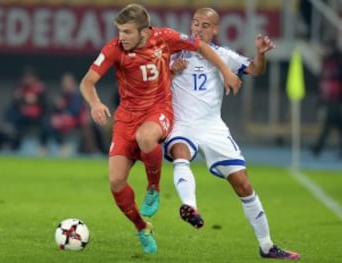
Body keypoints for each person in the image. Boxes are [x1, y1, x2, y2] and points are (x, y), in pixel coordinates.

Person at [79, 4, 241, 254]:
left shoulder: (165, 38)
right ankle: (142, 227)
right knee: (116, 182)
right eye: (120, 31)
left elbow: (201, 45)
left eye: (127, 32)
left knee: (146, 138)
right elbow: (87, 82)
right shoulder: (114, 49)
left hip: (158, 110)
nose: (121, 37)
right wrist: (95, 103)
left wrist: (226, 70)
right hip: (126, 118)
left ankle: (153, 188)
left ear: (144, 32)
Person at [163, 8, 300, 260]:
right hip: (182, 124)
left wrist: (260, 53)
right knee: (180, 153)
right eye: (195, 23)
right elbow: (152, 79)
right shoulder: (173, 50)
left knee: (244, 185)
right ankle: (190, 207)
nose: (197, 29)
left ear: (215, 29)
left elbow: (256, 70)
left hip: (212, 127)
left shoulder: (224, 55)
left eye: (205, 25)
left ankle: (267, 247)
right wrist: (170, 71)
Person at [4, 66, 48, 152]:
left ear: (35, 78)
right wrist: (24, 98)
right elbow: (14, 103)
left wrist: (36, 99)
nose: (27, 79)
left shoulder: (40, 87)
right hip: (24, 116)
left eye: (29, 77)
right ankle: (14, 146)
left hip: (37, 116)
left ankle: (43, 147)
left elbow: (45, 104)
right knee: (14, 119)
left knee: (46, 124)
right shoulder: (20, 88)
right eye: (26, 77)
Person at [311, 38, 342, 158]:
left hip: (335, 97)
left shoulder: (337, 61)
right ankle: (317, 148)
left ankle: (317, 148)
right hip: (328, 97)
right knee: (334, 124)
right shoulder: (326, 62)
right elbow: (322, 80)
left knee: (330, 123)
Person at [45, 72, 88, 156]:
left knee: (54, 123)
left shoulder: (77, 94)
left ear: (72, 83)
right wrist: (57, 105)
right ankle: (47, 146)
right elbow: (56, 110)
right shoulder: (64, 94)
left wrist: (63, 107)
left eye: (67, 82)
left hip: (76, 120)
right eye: (64, 82)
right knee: (48, 121)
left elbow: (75, 111)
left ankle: (63, 146)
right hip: (66, 119)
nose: (65, 85)